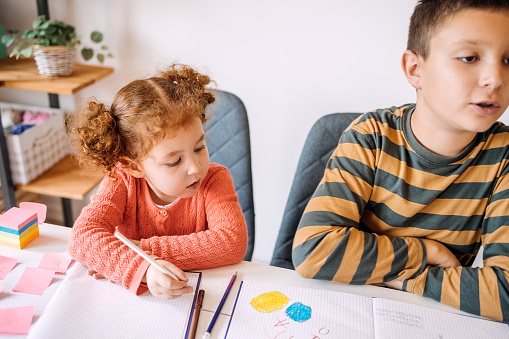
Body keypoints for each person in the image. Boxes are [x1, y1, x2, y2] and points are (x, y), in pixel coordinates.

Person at [292, 0, 509, 322]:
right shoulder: (371, 137)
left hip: (432, 315)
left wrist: (398, 276)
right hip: (346, 308)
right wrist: (429, 253)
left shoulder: (503, 155)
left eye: (508, 60)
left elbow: (504, 295)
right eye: (469, 58)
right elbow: (314, 251)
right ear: (415, 69)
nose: (495, 79)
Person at [67, 64, 248, 300]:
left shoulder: (214, 179)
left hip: (200, 295)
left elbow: (231, 242)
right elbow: (82, 237)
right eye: (174, 161)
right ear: (135, 165)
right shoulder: (122, 179)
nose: (195, 167)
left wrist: (137, 252)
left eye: (199, 147)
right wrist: (144, 268)